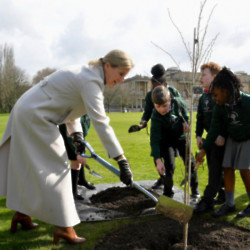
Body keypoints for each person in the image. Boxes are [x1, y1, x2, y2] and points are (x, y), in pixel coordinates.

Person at [0, 49, 134, 244]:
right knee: (60, 167)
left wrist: (77, 133)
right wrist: (121, 160)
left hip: (28, 111)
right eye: (121, 73)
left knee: (28, 166)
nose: (122, 79)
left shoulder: (88, 73)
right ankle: (64, 228)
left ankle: (22, 214)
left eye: (125, 76)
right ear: (107, 66)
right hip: (35, 116)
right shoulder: (91, 80)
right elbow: (100, 122)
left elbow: (69, 104)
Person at [196, 67, 250, 218]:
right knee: (227, 167)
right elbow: (213, 130)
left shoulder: (247, 102)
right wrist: (203, 151)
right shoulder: (220, 107)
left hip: (247, 138)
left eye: (216, 94)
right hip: (233, 137)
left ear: (226, 90)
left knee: (245, 170)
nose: (214, 98)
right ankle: (230, 204)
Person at [150, 85, 200, 198]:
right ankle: (168, 193)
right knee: (169, 166)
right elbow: (154, 140)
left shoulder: (178, 102)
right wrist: (158, 160)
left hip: (181, 137)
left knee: (190, 163)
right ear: (154, 104)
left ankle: (195, 191)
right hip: (166, 140)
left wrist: (185, 121)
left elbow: (185, 112)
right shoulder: (155, 116)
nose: (161, 109)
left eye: (165, 106)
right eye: (158, 106)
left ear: (170, 101)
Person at [140, 64, 181, 189]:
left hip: (171, 129)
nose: (156, 91)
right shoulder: (149, 95)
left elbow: (181, 108)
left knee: (170, 159)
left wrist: (182, 122)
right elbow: (147, 111)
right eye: (154, 87)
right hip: (157, 129)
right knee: (157, 155)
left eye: (159, 87)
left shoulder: (173, 92)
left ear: (165, 84)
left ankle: (168, 180)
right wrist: (143, 120)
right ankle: (163, 178)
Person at [194, 62, 226, 214]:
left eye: (203, 75)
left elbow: (227, 118)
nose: (201, 79)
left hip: (222, 140)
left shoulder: (223, 94)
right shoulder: (204, 98)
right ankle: (223, 193)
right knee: (215, 168)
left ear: (214, 76)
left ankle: (207, 201)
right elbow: (200, 118)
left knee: (215, 169)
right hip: (210, 138)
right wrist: (198, 135)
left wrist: (223, 135)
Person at [59, 114, 95, 201]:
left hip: (78, 134)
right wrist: (77, 151)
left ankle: (82, 180)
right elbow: (71, 128)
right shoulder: (74, 114)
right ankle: (73, 192)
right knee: (76, 161)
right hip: (69, 134)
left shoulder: (85, 112)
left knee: (80, 155)